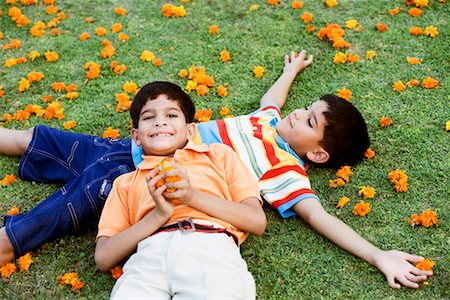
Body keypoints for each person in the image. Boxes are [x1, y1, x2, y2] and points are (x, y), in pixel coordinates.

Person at [0, 50, 432, 289]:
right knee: (35, 139)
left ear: (317, 155)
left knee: (61, 210)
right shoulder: (266, 119)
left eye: (310, 122)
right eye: (306, 108)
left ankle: (8, 243)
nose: (298, 115)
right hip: (130, 144)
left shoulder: (285, 172)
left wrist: (379, 254)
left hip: (138, 181)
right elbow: (275, 99)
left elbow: (320, 217)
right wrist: (289, 71)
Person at [94, 81, 266, 298]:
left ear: (190, 130)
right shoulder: (125, 183)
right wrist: (158, 215)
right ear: (136, 136)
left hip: (210, 249)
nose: (160, 122)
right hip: (148, 256)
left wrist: (191, 196)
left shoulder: (218, 155)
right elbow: (103, 257)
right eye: (148, 117)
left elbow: (256, 221)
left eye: (172, 115)